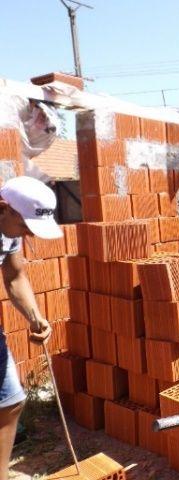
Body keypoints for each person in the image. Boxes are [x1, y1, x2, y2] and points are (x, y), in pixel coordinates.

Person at [0, 176, 60, 478]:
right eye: (26, 226)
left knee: (10, 401)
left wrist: (36, 318)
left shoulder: (8, 233)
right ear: (5, 209)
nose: (29, 235)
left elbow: (14, 276)